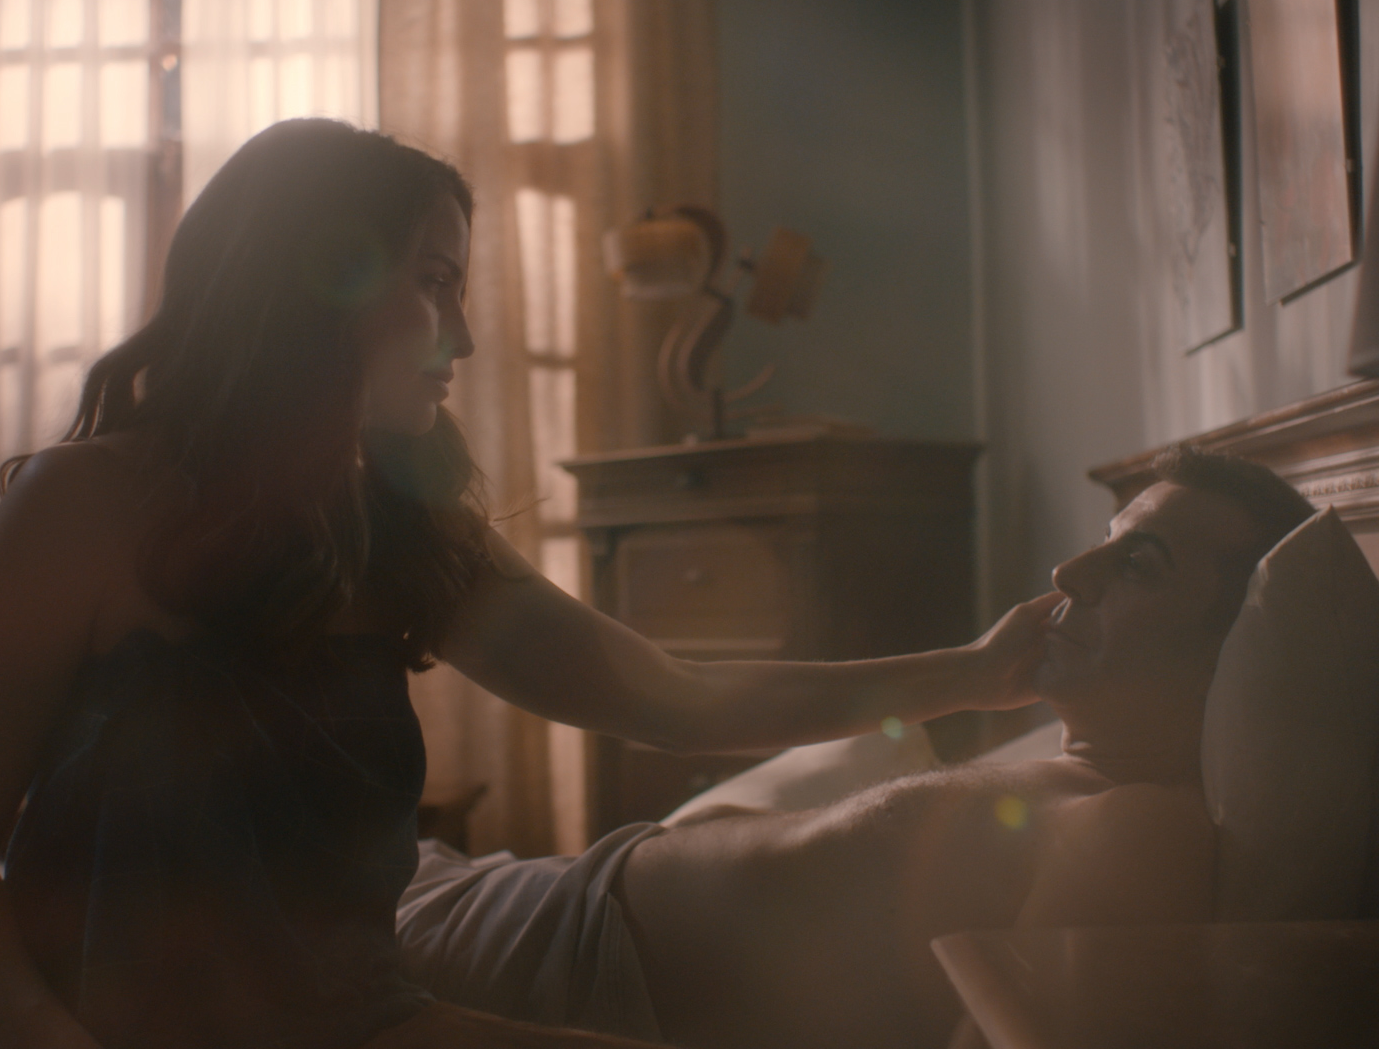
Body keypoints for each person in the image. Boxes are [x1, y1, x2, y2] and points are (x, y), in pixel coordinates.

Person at [0, 118, 1061, 1049]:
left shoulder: (403, 535)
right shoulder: (81, 504)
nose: (462, 335)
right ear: (319, 287)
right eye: (436, 281)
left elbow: (677, 698)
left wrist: (976, 673)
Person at [394, 448, 1318, 1049]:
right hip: (549, 900)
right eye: (1103, 544)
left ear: (1229, 648)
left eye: (1139, 564)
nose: (1070, 573)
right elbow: (671, 700)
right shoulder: (1073, 778)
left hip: (570, 957)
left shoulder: (1141, 827)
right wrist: (973, 669)